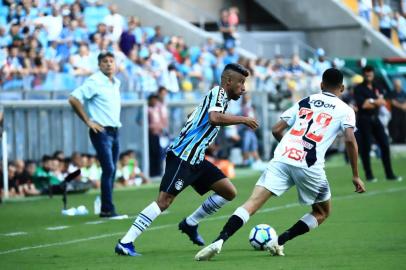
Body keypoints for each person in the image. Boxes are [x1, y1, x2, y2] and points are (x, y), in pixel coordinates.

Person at [194, 68, 366, 261]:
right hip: (309, 165)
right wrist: (355, 174)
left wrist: (290, 148)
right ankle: (280, 240)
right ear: (342, 88)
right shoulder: (346, 110)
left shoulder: (306, 100)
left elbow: (277, 129)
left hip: (283, 156)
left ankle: (219, 240)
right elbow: (350, 139)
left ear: (321, 85)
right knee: (322, 212)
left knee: (251, 203)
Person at [114, 63, 259, 256]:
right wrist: (243, 119)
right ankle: (125, 242)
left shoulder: (221, 98)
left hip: (196, 158)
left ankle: (190, 223)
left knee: (228, 192)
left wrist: (205, 137)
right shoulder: (218, 93)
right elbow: (214, 118)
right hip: (183, 156)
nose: (243, 87)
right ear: (228, 81)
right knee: (164, 201)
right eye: (240, 82)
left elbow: (197, 115)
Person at [69, 51, 122, 218]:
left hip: (114, 131)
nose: (108, 64)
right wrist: (88, 121)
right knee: (108, 168)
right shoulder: (95, 81)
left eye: (111, 61)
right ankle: (107, 209)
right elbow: (73, 98)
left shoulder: (116, 82)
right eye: (105, 61)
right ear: (99, 65)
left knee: (111, 171)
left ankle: (107, 207)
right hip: (101, 131)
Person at [353, 66, 401, 182]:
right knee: (366, 147)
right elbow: (363, 105)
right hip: (364, 120)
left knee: (385, 144)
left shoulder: (377, 86)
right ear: (363, 75)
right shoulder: (359, 88)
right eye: (366, 74)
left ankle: (389, 174)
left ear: (373, 74)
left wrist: (371, 101)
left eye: (370, 74)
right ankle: (369, 175)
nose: (368, 76)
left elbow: (383, 101)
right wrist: (376, 101)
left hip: (376, 118)